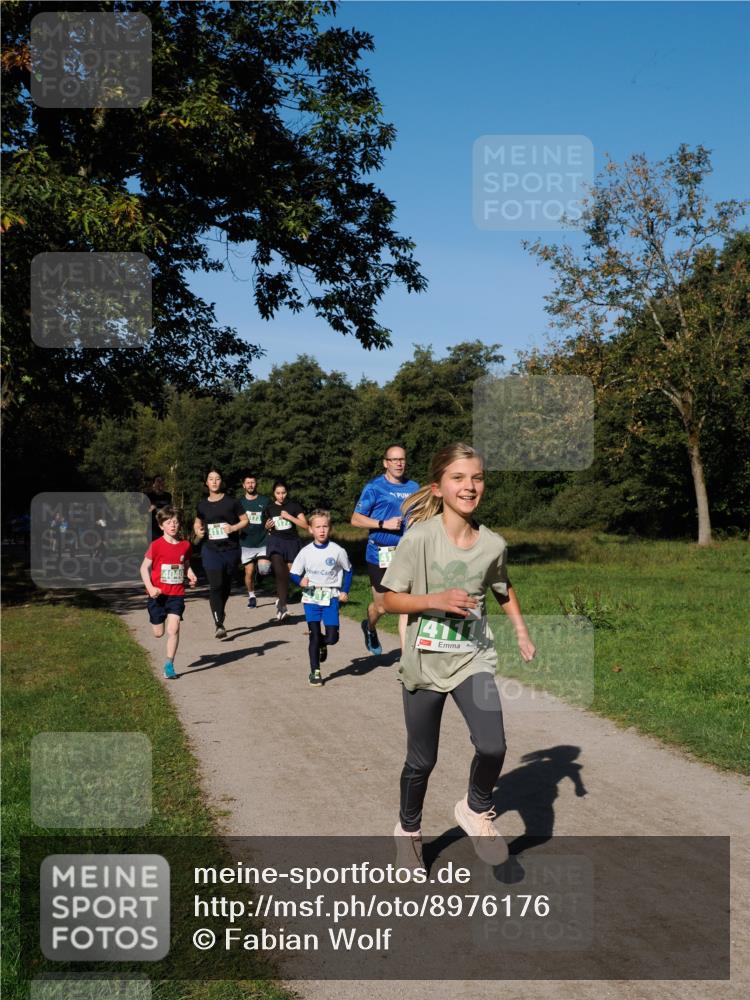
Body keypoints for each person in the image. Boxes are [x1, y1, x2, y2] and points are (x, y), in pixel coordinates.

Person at [381, 442, 536, 870]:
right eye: (459, 478)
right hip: (425, 661)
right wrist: (434, 599)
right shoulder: (419, 539)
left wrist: (522, 631)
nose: (470, 486)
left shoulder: (493, 544)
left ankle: (475, 807)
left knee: (492, 745)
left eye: (477, 478)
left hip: (472, 657)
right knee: (422, 760)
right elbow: (388, 600)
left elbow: (503, 587)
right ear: (437, 487)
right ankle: (408, 831)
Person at [351, 444, 418, 655]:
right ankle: (369, 627)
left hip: (405, 553)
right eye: (394, 460)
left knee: (405, 605)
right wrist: (383, 524)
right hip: (379, 553)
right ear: (385, 463)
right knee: (382, 607)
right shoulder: (374, 487)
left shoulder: (414, 487)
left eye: (402, 459)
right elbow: (355, 519)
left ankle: (406, 660)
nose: (399, 463)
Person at [290, 510, 353, 687]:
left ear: (330, 528)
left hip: (331, 597)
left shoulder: (338, 551)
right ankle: (315, 672)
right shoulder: (305, 552)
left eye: (325, 526)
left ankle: (323, 644)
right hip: (311, 598)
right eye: (318, 527)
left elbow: (349, 570)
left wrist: (344, 590)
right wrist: (299, 580)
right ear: (311, 530)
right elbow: (294, 573)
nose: (322, 530)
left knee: (332, 638)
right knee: (314, 634)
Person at [140, 506, 197, 678]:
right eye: (168, 522)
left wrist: (190, 574)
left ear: (179, 525)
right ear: (161, 526)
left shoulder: (185, 545)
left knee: (174, 628)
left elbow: (185, 565)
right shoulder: (156, 545)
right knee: (159, 633)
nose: (172, 525)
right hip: (158, 595)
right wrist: (150, 588)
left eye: (175, 522)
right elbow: (144, 568)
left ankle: (169, 665)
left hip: (176, 594)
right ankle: (157, 618)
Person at [193, 468, 248, 639]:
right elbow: (197, 521)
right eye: (211, 479)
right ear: (206, 482)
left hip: (230, 550)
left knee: (226, 586)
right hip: (211, 550)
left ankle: (220, 610)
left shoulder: (232, 502)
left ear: (221, 482)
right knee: (216, 585)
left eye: (217, 479)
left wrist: (233, 528)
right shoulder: (202, 505)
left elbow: (245, 520)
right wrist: (197, 530)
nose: (214, 482)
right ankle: (219, 624)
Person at [262, 481, 308, 622]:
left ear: (287, 493)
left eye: (283, 493)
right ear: (274, 493)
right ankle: (283, 607)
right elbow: (265, 527)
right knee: (280, 572)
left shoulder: (294, 506)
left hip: (292, 542)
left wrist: (289, 517)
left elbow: (305, 525)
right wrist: (266, 526)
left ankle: (281, 602)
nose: (281, 496)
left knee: (289, 575)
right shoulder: (269, 508)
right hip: (275, 542)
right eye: (278, 493)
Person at [238, 473, 271, 607]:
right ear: (244, 485)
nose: (250, 485)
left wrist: (270, 524)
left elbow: (272, 516)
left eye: (252, 482)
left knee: (264, 569)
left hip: (263, 540)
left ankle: (261, 570)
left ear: (256, 484)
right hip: (246, 542)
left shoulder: (265, 501)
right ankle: (251, 596)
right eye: (248, 483)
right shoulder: (239, 503)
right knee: (249, 572)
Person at [146, 475, 173, 541]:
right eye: (158, 481)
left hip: (166, 526)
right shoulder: (148, 496)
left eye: (162, 481)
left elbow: (171, 509)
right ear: (153, 484)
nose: (161, 483)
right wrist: (151, 508)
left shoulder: (168, 496)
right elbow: (141, 511)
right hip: (153, 527)